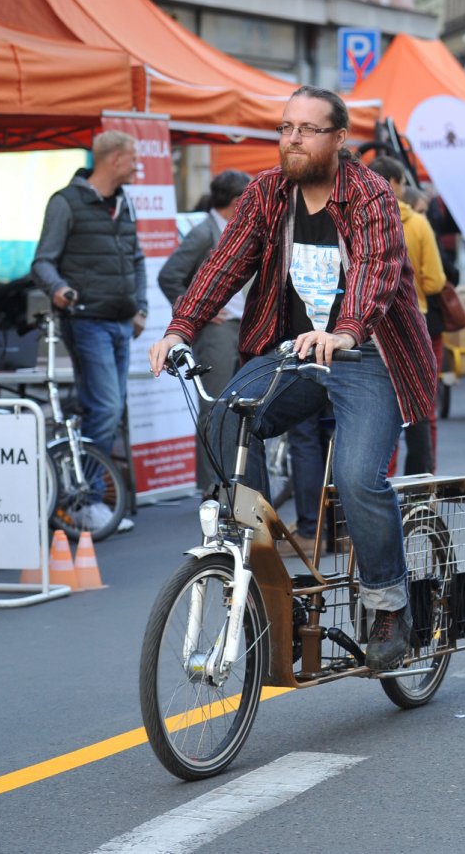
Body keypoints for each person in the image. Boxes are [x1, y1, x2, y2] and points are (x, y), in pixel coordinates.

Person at [148, 85, 433, 672]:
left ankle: (388, 606)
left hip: (366, 355)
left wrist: (345, 331)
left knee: (357, 478)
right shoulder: (266, 193)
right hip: (294, 353)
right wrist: (180, 328)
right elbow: (224, 264)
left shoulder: (371, 196)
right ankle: (242, 554)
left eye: (307, 129)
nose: (293, 139)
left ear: (338, 139)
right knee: (224, 416)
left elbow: (377, 271)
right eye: (285, 128)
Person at [32, 129, 146, 534]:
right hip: (87, 321)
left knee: (104, 409)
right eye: (133, 158)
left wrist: (141, 307)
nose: (137, 165)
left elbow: (136, 259)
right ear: (114, 159)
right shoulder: (66, 202)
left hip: (119, 322)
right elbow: (42, 261)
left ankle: (81, 488)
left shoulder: (122, 203)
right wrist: (59, 290)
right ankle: (87, 499)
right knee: (106, 408)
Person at [158, 169, 252, 493]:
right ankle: (212, 486)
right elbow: (168, 276)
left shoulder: (233, 228)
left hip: (241, 328)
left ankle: (234, 482)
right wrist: (196, 310)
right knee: (214, 407)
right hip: (217, 333)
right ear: (238, 200)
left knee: (238, 406)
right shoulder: (203, 232)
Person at [370, 155, 447, 475]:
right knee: (421, 408)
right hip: (419, 321)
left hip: (371, 325)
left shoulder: (359, 219)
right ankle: (421, 481)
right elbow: (435, 280)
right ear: (395, 184)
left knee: (379, 408)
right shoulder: (416, 223)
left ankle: (380, 480)